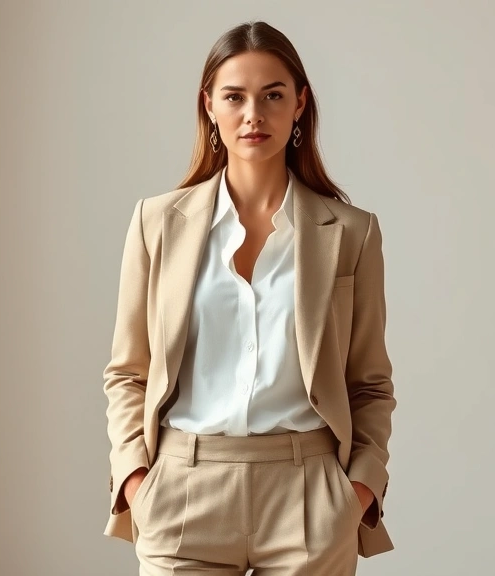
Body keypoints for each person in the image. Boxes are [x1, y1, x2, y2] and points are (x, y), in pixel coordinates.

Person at [102, 20, 396, 575]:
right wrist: (137, 481)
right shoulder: (156, 223)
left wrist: (356, 491)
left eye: (273, 95)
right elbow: (128, 372)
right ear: (209, 105)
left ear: (300, 103)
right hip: (183, 490)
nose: (253, 114)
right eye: (234, 96)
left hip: (308, 496)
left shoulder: (351, 233)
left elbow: (369, 384)